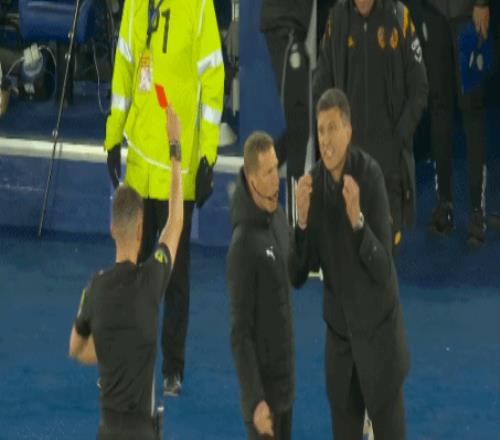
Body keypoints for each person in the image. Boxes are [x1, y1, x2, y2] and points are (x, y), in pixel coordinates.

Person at [103, 0, 224, 395]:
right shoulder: (135, 4)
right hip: (139, 163)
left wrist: (207, 155)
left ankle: (173, 369)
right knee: (130, 270)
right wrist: (113, 136)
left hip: (178, 166)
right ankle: (129, 363)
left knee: (175, 277)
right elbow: (124, 67)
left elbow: (214, 78)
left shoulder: (199, 6)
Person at [290, 88, 410, 439]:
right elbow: (297, 274)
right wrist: (301, 222)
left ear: (348, 130)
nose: (325, 140)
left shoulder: (370, 178)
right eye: (320, 130)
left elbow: (383, 269)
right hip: (341, 348)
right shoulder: (313, 185)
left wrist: (358, 222)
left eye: (332, 129)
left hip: (379, 341)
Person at [69, 107, 184, 440]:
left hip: (107, 430)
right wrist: (174, 148)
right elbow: (175, 222)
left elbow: (75, 348)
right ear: (141, 230)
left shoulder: (95, 288)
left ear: (112, 229)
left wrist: (109, 351)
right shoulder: (151, 281)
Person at [313, 0, 428, 253]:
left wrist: (398, 139)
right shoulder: (337, 20)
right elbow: (320, 86)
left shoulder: (399, 18)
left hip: (388, 169)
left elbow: (419, 88)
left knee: (384, 259)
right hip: (347, 166)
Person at [227, 132, 294, 439]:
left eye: (276, 168)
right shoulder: (242, 246)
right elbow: (240, 333)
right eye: (268, 172)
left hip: (284, 390)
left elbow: (296, 271)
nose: (276, 179)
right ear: (252, 179)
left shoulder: (279, 219)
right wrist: (255, 400)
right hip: (263, 402)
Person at [420, 0, 489, 245]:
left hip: (468, 13)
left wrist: (482, 3)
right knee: (439, 106)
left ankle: (477, 211)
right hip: (433, 12)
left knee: (472, 107)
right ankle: (444, 204)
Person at [260, 0, 312, 224]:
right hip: (286, 26)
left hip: (288, 27)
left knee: (298, 129)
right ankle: (296, 224)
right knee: (298, 129)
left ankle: (254, 180)